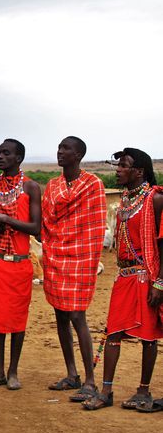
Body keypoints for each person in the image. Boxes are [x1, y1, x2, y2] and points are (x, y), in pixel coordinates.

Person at [83, 148, 163, 410]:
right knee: (113, 332)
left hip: (146, 275)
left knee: (148, 336)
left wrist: (159, 283)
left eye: (123, 165)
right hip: (124, 276)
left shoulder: (156, 199)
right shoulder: (127, 201)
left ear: (139, 171)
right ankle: (106, 391)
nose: (117, 170)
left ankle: (143, 391)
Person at [42, 136, 106, 402]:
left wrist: (83, 255)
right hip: (55, 256)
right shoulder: (53, 184)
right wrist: (52, 247)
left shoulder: (93, 184)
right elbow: (46, 221)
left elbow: (94, 225)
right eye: (58, 148)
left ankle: (90, 381)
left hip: (80, 258)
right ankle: (72, 374)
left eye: (66, 149)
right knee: (60, 316)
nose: (60, 152)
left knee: (78, 317)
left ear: (78, 155)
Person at [0, 139, 41, 390]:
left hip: (19, 263)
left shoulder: (31, 187)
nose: (0, 157)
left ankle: (13, 371)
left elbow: (36, 228)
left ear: (19, 158)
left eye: (6, 153)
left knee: (16, 319)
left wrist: (6, 218)